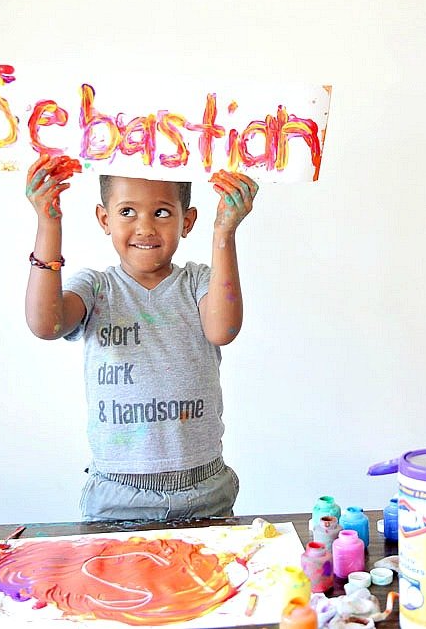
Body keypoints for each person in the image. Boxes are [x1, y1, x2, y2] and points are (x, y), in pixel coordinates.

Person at [23, 153, 259, 520]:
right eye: (127, 212)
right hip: (118, 494)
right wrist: (48, 224)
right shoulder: (96, 287)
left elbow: (223, 330)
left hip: (204, 490)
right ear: (104, 219)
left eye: (162, 213)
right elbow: (45, 325)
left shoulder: (197, 281)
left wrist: (224, 232)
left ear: (188, 220)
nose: (145, 227)